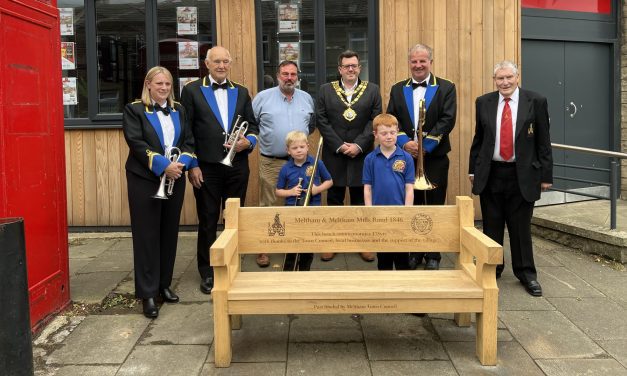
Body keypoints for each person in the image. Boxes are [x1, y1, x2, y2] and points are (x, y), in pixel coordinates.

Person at [469, 60, 553, 297]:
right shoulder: (483, 102)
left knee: (520, 227)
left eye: (508, 77)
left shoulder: (535, 101)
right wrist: (473, 170)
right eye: (499, 78)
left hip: (523, 173)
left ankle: (526, 274)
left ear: (517, 77)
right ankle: (492, 269)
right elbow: (479, 138)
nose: (504, 82)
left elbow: (543, 141)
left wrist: (546, 175)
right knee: (491, 224)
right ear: (494, 80)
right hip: (492, 172)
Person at [181, 46, 259, 295]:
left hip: (236, 165)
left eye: (226, 61)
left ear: (231, 63)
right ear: (207, 63)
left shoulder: (242, 91)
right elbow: (186, 131)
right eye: (217, 61)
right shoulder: (192, 90)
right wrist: (191, 165)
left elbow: (254, 125)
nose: (222, 65)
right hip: (206, 167)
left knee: (234, 219)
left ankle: (232, 265)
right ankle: (207, 271)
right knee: (207, 219)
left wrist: (250, 142)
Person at [122, 66, 195, 318]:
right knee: (146, 236)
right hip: (145, 179)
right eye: (159, 84)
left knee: (168, 233)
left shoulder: (180, 109)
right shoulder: (134, 110)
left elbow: (188, 141)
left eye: (167, 84)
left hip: (175, 178)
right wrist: (165, 166)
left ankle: (164, 285)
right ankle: (147, 293)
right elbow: (136, 143)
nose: (164, 88)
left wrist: (180, 165)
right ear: (148, 85)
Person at [386, 43, 457, 271]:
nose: (418, 65)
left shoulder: (447, 87)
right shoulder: (398, 89)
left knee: (434, 204)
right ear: (410, 63)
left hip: (434, 156)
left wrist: (425, 146)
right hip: (406, 157)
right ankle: (415, 250)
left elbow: (448, 119)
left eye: (422, 61)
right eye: (414, 61)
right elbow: (391, 119)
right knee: (412, 203)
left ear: (430, 62)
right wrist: (406, 143)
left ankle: (434, 252)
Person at [316, 49, 381, 262]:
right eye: (346, 66)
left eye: (354, 65)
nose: (350, 69)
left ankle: (362, 241)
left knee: (360, 199)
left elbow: (375, 120)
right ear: (340, 69)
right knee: (334, 198)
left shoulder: (372, 90)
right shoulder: (326, 90)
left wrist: (359, 145)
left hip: (362, 155)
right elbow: (322, 120)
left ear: (359, 68)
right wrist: (340, 146)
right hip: (334, 154)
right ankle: (333, 241)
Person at [253, 60, 315, 267]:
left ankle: (294, 244)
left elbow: (311, 126)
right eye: (285, 74)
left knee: (297, 203)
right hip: (272, 161)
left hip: (299, 163)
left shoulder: (307, 99)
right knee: (268, 204)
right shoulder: (262, 98)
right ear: (278, 75)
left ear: (298, 76)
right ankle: (264, 247)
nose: (289, 78)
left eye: (293, 74)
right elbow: (253, 125)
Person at [275, 131, 333, 271]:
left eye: (302, 146)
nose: (299, 150)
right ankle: (288, 274)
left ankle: (304, 272)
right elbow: (278, 191)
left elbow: (329, 181)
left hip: (312, 210)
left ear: (308, 146)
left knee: (308, 245)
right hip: (292, 211)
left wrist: (317, 190)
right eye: (294, 148)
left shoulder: (317, 163)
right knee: (291, 245)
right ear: (288, 151)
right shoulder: (285, 168)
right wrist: (291, 192)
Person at [363, 114, 415, 270]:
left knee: (402, 258)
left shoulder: (406, 157)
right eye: (384, 133)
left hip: (400, 213)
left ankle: (402, 290)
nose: (388, 137)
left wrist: (408, 210)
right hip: (379, 214)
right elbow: (367, 187)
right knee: (384, 258)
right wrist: (369, 210)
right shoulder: (370, 159)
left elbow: (409, 187)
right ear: (376, 135)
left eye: (392, 132)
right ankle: (385, 290)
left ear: (397, 132)